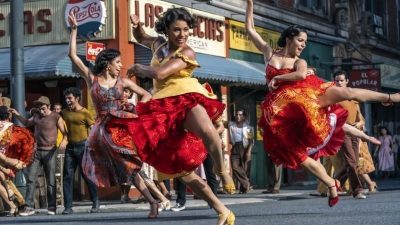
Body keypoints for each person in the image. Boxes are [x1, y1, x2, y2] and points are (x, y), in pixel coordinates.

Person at [245, 0, 396, 207]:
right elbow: (250, 29)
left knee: (346, 92)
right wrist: (250, 6)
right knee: (298, 157)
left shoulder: (300, 62)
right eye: (300, 40)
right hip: (282, 113)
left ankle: (389, 98)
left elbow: (299, 74)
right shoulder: (269, 53)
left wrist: (278, 79)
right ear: (289, 38)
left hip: (307, 98)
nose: (303, 45)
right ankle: (331, 183)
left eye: (305, 42)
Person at [108, 8, 235, 224]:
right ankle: (223, 210)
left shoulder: (187, 52)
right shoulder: (158, 44)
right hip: (162, 108)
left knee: (208, 131)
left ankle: (221, 171)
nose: (182, 34)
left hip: (185, 98)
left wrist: (139, 67)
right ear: (166, 29)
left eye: (186, 30)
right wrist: (137, 25)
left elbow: (160, 73)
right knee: (182, 171)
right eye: (177, 30)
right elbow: (141, 38)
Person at [67, 13, 161, 219]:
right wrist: (74, 31)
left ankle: (154, 201)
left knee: (130, 168)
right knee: (122, 170)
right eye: (117, 62)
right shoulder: (92, 78)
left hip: (121, 128)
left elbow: (145, 95)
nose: (121, 65)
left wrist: (135, 111)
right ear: (108, 64)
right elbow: (73, 56)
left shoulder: (124, 82)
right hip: (101, 132)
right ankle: (153, 200)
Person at [10, 96, 67, 216]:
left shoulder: (56, 117)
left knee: (51, 180)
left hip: (51, 151)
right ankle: (29, 207)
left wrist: (63, 142)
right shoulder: (36, 116)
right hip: (37, 152)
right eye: (39, 109)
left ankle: (52, 207)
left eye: (43, 109)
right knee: (31, 179)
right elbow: (26, 123)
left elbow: (65, 133)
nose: (41, 111)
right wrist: (17, 114)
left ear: (49, 106)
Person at [60, 87, 99, 215]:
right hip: (70, 148)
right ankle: (68, 207)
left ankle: (95, 202)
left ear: (77, 98)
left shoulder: (85, 113)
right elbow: (58, 123)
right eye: (66, 98)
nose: (67, 100)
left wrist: (93, 145)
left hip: (83, 147)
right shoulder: (64, 113)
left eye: (70, 98)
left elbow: (93, 129)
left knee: (87, 175)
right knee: (67, 177)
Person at [333, 71, 367, 199]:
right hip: (342, 132)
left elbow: (361, 118)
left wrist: (360, 124)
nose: (339, 82)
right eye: (337, 80)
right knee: (351, 161)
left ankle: (334, 183)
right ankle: (357, 190)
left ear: (347, 81)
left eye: (341, 80)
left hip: (355, 132)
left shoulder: (353, 97)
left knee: (354, 162)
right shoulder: (333, 97)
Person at [228, 109, 253, 194]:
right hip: (235, 147)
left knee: (245, 168)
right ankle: (247, 183)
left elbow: (250, 141)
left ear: (244, 117)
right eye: (237, 115)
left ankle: (244, 188)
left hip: (245, 147)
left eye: (240, 115)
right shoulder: (231, 125)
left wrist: (248, 152)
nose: (238, 116)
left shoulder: (248, 127)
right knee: (235, 167)